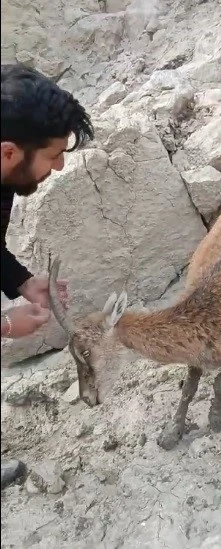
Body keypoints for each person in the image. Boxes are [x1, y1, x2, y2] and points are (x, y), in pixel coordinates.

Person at [1, 63, 94, 489]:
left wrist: (21, 281)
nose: (58, 168)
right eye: (54, 155)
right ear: (9, 151)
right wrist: (4, 326)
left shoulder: (6, 175)